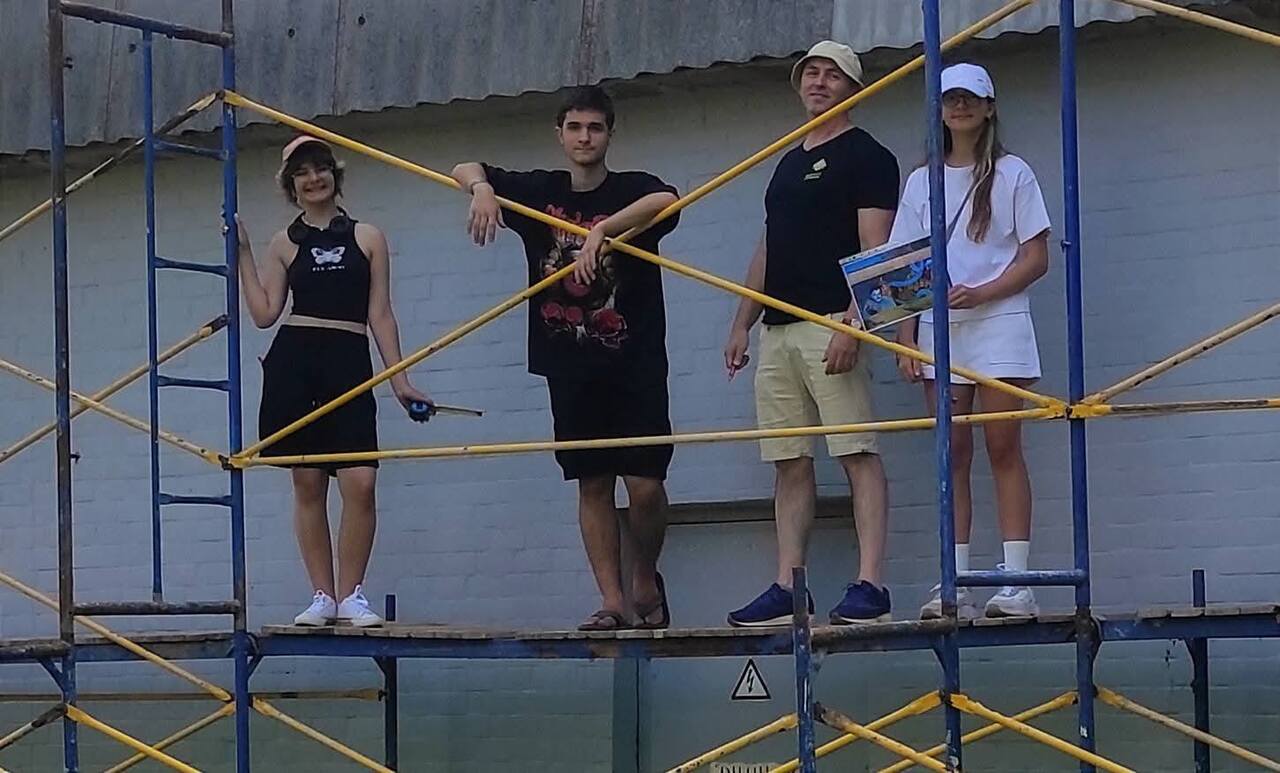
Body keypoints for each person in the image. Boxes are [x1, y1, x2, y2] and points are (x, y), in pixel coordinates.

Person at [450, 86, 681, 631]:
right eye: (574, 127)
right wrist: (481, 190)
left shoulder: (631, 189)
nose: (584, 137)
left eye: (595, 128)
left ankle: (644, 577)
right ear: (559, 134)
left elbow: (668, 201)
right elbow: (465, 166)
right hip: (570, 364)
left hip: (635, 360)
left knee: (645, 485)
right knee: (592, 482)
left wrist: (603, 229)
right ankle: (612, 600)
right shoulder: (540, 191)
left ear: (609, 135)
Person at [723, 41, 899, 627]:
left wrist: (855, 323)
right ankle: (789, 584)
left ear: (854, 89)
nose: (819, 83)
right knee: (788, 460)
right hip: (777, 329)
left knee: (855, 451)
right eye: (811, 73)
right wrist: (742, 322)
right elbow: (769, 247)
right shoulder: (786, 161)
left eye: (833, 75)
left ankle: (871, 582)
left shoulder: (868, 156)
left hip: (830, 323)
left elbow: (878, 249)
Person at [236, 136, 432, 627]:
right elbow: (264, 313)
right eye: (301, 172)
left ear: (334, 174)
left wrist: (400, 381)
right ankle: (322, 595)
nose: (313, 178)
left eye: (320, 168)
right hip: (297, 361)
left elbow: (380, 314)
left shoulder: (368, 237)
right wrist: (241, 254)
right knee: (308, 482)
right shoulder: (284, 243)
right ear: (291, 185)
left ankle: (351, 595)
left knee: (360, 481)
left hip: (349, 358)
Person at [889, 63, 1051, 619]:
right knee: (951, 452)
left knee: (1003, 445)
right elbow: (905, 263)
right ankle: (953, 580)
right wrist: (907, 334)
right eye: (950, 99)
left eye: (970, 99)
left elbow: (1036, 257)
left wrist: (984, 293)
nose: (959, 107)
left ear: (989, 107)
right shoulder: (921, 181)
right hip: (940, 330)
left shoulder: (1013, 173)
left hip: (1000, 322)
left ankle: (1017, 580)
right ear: (938, 110)